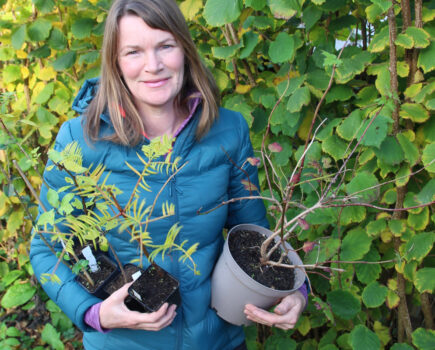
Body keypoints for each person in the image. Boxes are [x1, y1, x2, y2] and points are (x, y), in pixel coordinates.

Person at [30, 0, 308, 349]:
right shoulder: (79, 141)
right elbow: (48, 247)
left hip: (216, 341)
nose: (153, 66)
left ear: (185, 49)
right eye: (133, 52)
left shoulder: (229, 130)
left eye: (165, 46)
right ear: (114, 62)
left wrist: (295, 290)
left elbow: (258, 240)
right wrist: (95, 314)